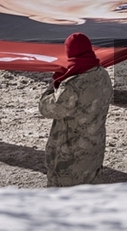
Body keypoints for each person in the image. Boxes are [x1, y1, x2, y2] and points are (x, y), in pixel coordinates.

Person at [38, 33, 114, 187]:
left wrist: (54, 85)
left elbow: (46, 108)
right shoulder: (102, 75)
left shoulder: (72, 86)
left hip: (69, 157)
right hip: (93, 151)